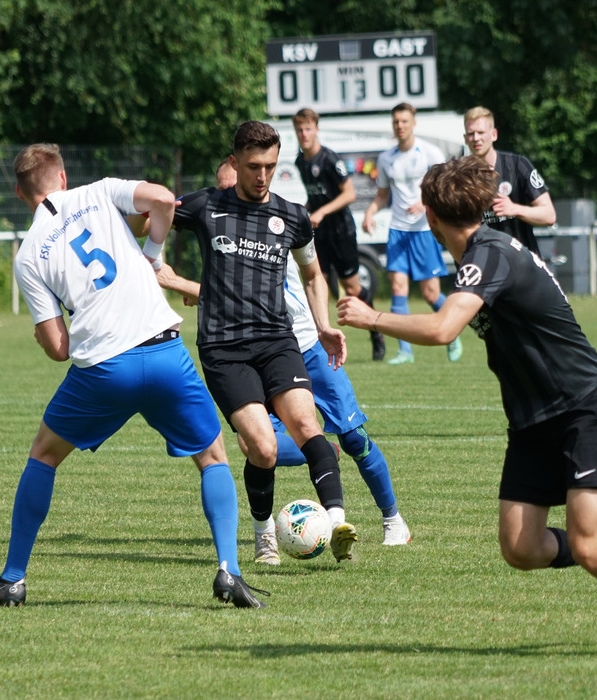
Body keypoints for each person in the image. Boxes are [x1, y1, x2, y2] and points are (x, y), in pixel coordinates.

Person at [336, 156, 597, 656]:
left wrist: (372, 317)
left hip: (579, 405)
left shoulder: (489, 254)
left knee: (586, 545)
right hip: (531, 418)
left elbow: (442, 328)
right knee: (520, 548)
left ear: (431, 217)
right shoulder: (479, 254)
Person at [0, 143, 267, 609]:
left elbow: (59, 349)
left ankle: (13, 578)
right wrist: (152, 253)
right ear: (63, 177)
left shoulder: (27, 255)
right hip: (164, 353)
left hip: (105, 369)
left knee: (44, 454)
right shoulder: (98, 192)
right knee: (212, 456)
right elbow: (163, 199)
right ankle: (229, 571)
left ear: (21, 194)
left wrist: (43, 336)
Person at [157, 157, 411, 549]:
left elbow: (260, 291)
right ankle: (317, 454)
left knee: (354, 438)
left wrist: (178, 282)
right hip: (251, 351)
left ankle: (393, 519)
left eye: (231, 188)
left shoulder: (274, 225)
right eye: (222, 191)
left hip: (303, 345)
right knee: (255, 444)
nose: (227, 198)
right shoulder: (219, 225)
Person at [172, 121, 358, 565]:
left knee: (308, 426)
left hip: (277, 340)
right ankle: (263, 536)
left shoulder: (292, 216)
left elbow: (313, 275)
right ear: (235, 162)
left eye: (270, 166)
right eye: (254, 166)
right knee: (263, 447)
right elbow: (147, 216)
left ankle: (336, 525)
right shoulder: (206, 206)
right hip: (224, 349)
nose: (262, 176)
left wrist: (323, 325)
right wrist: (151, 261)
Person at [362, 103, 462, 365]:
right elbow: (382, 195)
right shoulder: (386, 159)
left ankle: (453, 335)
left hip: (424, 230)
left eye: (404, 121)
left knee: (430, 293)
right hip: (398, 230)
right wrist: (370, 212)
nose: (400, 126)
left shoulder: (430, 153)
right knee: (398, 288)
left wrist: (425, 202)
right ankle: (404, 351)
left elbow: (445, 188)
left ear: (413, 123)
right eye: (396, 121)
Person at [293, 107, 387, 361]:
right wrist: (303, 211)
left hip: (341, 231)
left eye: (308, 129)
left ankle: (376, 334)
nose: (304, 134)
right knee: (316, 283)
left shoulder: (329, 159)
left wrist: (322, 211)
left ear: (317, 129)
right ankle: (316, 342)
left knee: (352, 288)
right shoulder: (300, 162)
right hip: (319, 234)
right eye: (299, 130)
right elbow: (315, 196)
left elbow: (349, 194)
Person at [463, 106, 556, 255]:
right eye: (470, 134)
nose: (476, 138)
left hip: (523, 259)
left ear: (494, 134)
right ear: (465, 138)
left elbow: (549, 215)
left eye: (480, 132)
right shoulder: (462, 176)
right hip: (485, 261)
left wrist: (515, 209)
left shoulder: (518, 165)